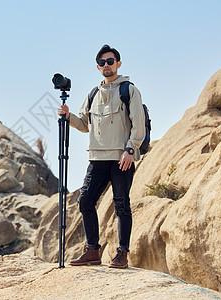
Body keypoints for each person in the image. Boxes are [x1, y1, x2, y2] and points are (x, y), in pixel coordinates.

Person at [57, 45, 145, 268]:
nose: (107, 65)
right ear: (98, 67)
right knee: (85, 201)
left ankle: (122, 253)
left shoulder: (129, 90)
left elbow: (138, 125)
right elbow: (85, 125)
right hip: (96, 158)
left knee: (121, 205)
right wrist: (69, 117)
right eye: (103, 62)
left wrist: (130, 150)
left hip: (121, 158)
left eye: (111, 61)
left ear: (118, 63)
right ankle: (93, 250)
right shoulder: (93, 94)